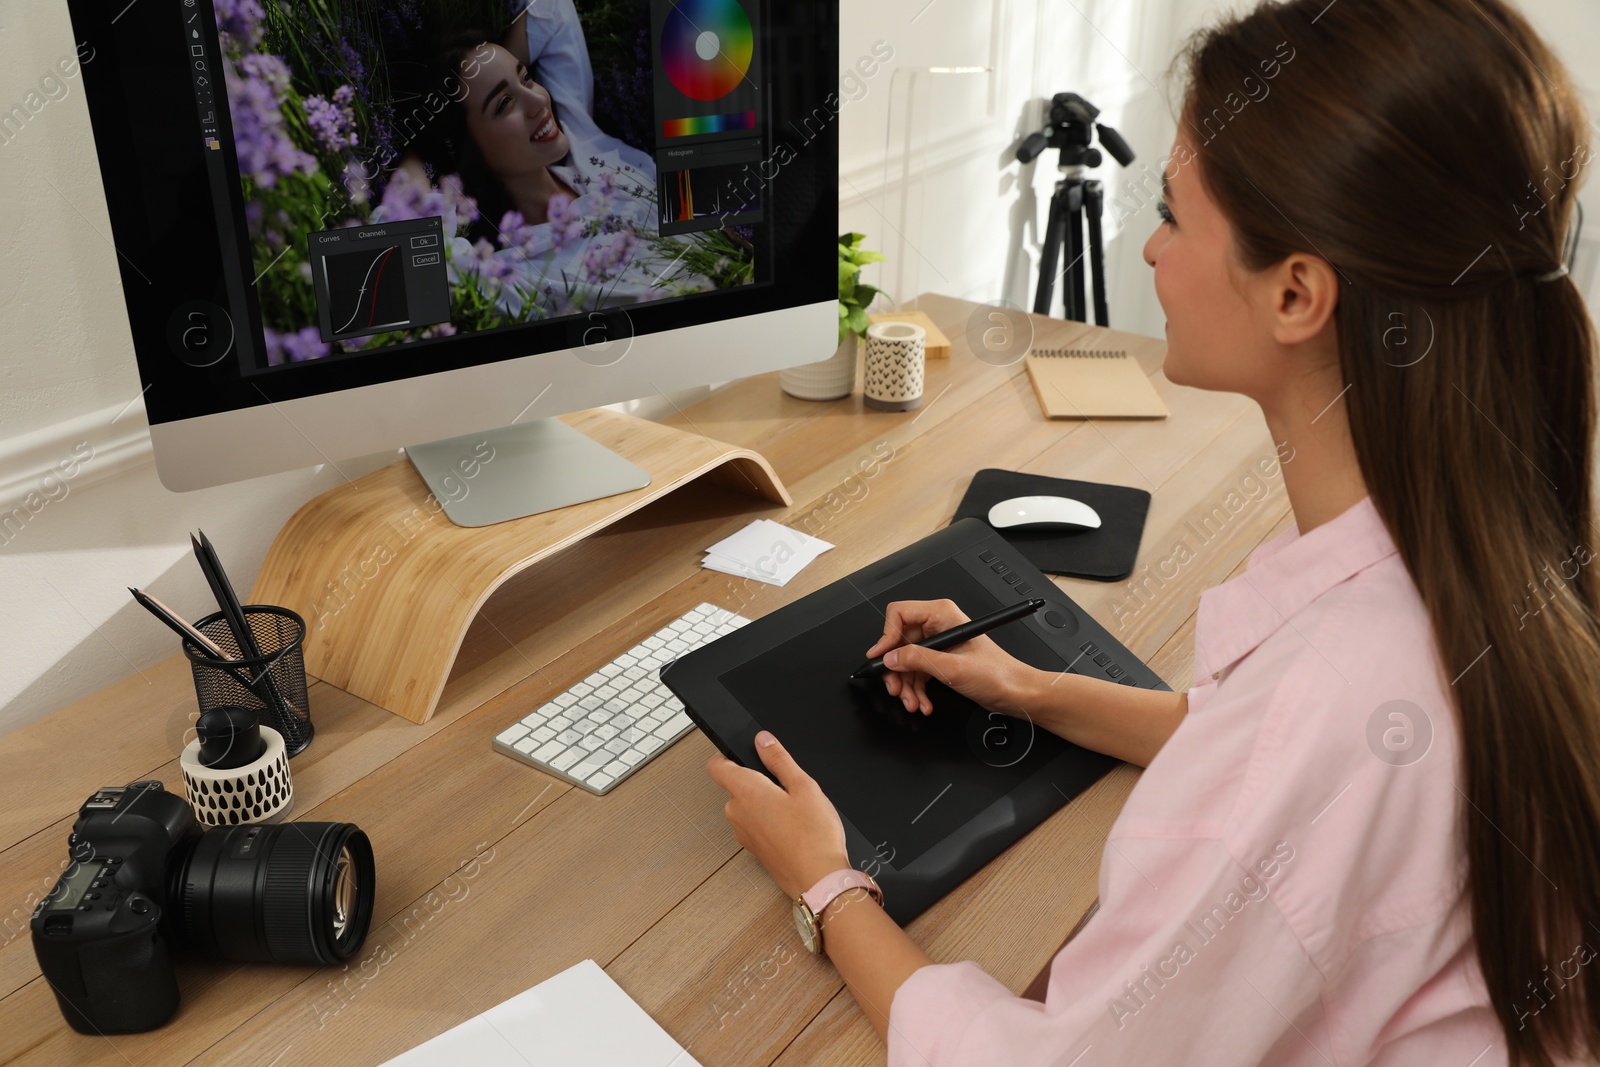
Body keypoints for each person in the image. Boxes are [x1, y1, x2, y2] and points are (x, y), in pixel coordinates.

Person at [704, 0, 1600, 1065]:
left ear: (1297, 292)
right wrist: (1029, 686)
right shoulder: (1483, 545)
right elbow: (1257, 756)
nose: (1148, 247)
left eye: (1174, 215)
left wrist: (825, 879)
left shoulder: (1339, 699)